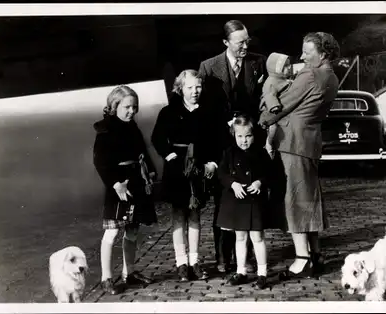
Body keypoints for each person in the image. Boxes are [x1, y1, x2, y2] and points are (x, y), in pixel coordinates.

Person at [261, 32, 340, 280]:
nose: (303, 56)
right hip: (310, 141)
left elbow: (283, 104)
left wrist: (259, 122)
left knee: (294, 200)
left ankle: (301, 258)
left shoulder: (309, 74)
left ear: (323, 54)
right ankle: (315, 253)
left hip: (292, 141)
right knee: (309, 197)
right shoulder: (332, 77)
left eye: (307, 52)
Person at [198, 19, 267, 274]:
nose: (245, 46)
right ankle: (222, 257)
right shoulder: (209, 67)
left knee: (249, 197)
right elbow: (203, 110)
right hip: (222, 144)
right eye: (240, 42)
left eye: (247, 40)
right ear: (226, 42)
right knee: (224, 200)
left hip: (249, 142)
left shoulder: (258, 63)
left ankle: (246, 258)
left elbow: (264, 99)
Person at [151, 69, 221, 282]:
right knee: (179, 215)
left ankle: (194, 261)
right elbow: (158, 138)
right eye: (190, 87)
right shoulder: (168, 111)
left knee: (195, 214)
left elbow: (216, 141)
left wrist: (212, 162)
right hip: (176, 169)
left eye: (198, 87)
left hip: (199, 167)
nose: (195, 91)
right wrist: (169, 154)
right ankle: (181, 262)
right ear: (180, 89)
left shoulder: (208, 112)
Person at [93, 85, 158, 295]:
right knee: (112, 232)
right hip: (118, 186)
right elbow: (100, 162)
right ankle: (106, 278)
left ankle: (129, 273)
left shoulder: (133, 127)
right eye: (127, 107)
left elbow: (142, 152)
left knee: (132, 230)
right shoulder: (105, 129)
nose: (132, 111)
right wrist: (115, 183)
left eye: (135, 107)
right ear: (114, 106)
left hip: (136, 183)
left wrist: (151, 172)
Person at [216, 114, 272, 289]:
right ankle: (241, 271)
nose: (244, 140)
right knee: (239, 237)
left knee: (257, 237)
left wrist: (259, 181)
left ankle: (262, 273)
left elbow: (270, 172)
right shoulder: (229, 153)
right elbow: (222, 174)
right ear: (234, 135)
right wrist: (232, 184)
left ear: (254, 135)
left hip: (254, 201)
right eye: (239, 136)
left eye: (248, 136)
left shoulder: (260, 153)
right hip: (238, 201)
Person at [258, 52, 294, 158]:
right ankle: (269, 143)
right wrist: (274, 106)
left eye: (288, 65)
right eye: (285, 66)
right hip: (270, 112)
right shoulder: (271, 82)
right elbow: (269, 94)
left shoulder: (282, 79)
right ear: (277, 68)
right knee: (273, 127)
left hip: (281, 111)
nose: (289, 68)